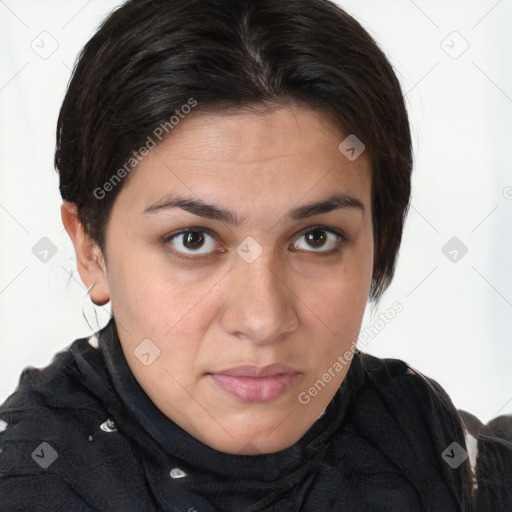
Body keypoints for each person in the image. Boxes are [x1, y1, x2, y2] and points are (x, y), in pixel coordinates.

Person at [0, 0, 508, 510]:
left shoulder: (434, 450)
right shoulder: (27, 481)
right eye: (193, 240)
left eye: (316, 237)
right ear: (91, 250)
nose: (263, 320)